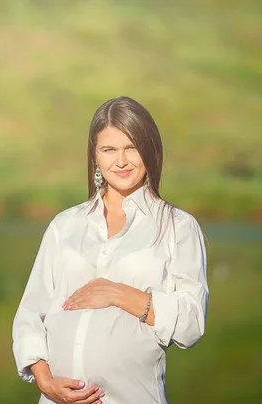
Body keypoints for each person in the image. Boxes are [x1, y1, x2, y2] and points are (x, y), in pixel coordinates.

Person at [12, 96, 209, 404]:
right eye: (109, 150)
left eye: (132, 148)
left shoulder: (177, 227)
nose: (121, 161)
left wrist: (118, 293)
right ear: (94, 155)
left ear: (152, 150)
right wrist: (45, 380)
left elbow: (191, 325)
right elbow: (30, 313)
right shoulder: (65, 226)